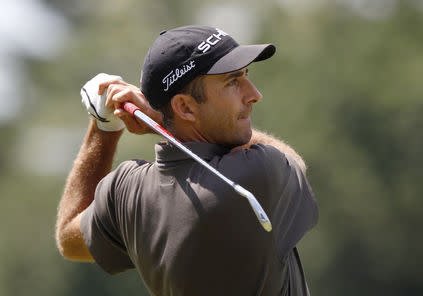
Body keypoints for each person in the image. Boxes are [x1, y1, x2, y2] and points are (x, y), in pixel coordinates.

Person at [55, 25, 318, 296]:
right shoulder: (255, 174)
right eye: (232, 81)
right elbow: (293, 161)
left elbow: (69, 239)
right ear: (185, 107)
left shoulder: (126, 192)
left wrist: (104, 127)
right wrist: (158, 122)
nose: (254, 94)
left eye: (246, 75)